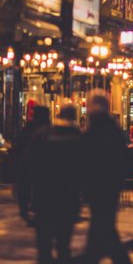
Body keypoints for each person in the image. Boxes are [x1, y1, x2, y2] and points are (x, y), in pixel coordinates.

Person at [19, 104, 82, 264]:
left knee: (44, 247)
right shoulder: (78, 138)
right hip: (68, 198)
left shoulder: (42, 136)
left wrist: (24, 202)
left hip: (44, 197)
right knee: (63, 245)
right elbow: (86, 170)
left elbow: (28, 169)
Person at [82, 90, 131, 264]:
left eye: (89, 104)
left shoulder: (97, 129)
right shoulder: (113, 128)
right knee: (104, 227)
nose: (87, 107)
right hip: (109, 185)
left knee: (102, 227)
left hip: (100, 185)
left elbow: (89, 157)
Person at [13, 105, 50, 224]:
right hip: (44, 166)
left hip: (29, 163)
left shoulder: (29, 127)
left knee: (26, 187)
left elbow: (20, 145)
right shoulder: (48, 128)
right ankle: (38, 210)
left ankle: (26, 209)